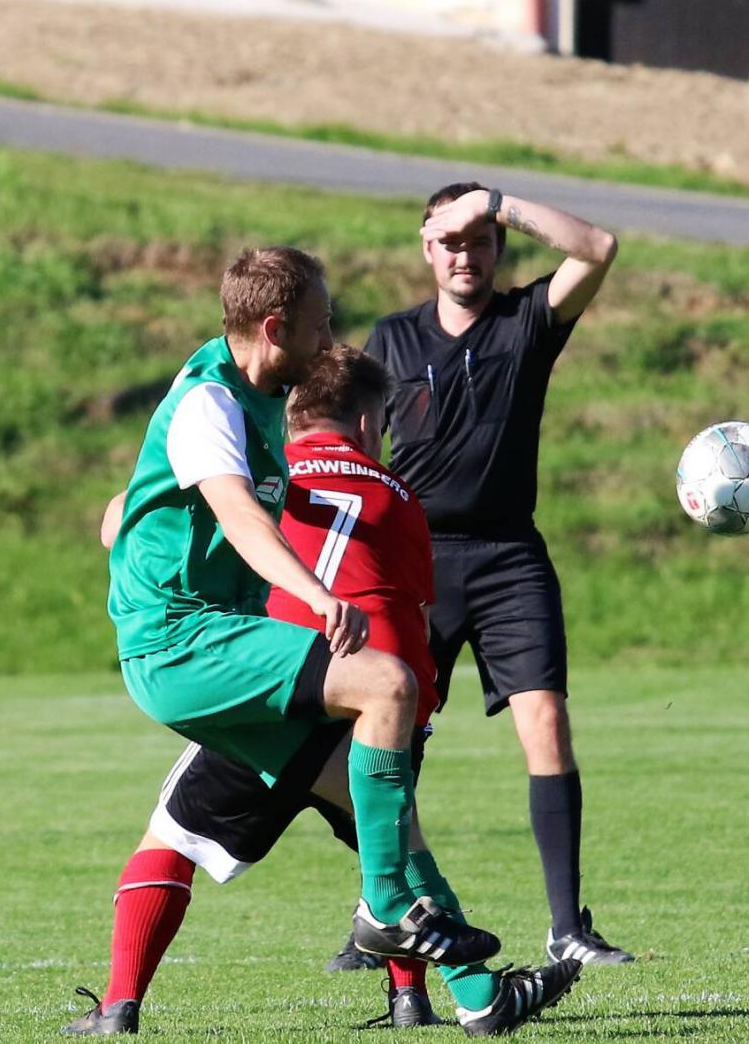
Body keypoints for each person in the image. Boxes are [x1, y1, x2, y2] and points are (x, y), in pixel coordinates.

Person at [64, 345, 580, 1036]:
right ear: (368, 426)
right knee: (391, 843)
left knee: (172, 838)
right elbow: (416, 624)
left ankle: (120, 1003)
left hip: (270, 678)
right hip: (364, 700)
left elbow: (119, 520)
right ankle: (442, 998)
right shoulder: (399, 498)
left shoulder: (254, 468)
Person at [362, 183, 632, 967]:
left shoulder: (527, 322)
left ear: (496, 248)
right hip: (416, 559)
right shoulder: (390, 340)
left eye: (477, 240)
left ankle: (567, 931)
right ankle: (379, 915)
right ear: (425, 249)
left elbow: (598, 248)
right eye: (448, 241)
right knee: (392, 741)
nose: (463, 254)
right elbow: (349, 445)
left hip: (510, 556)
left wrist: (496, 200)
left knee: (544, 721)